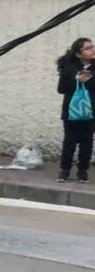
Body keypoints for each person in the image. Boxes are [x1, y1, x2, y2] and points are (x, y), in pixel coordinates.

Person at [56, 37, 95, 183]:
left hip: (91, 111)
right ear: (79, 54)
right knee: (69, 141)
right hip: (72, 111)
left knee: (87, 141)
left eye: (92, 47)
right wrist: (76, 80)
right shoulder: (69, 67)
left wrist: (90, 81)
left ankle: (83, 171)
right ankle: (64, 170)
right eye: (88, 48)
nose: (92, 50)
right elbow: (61, 89)